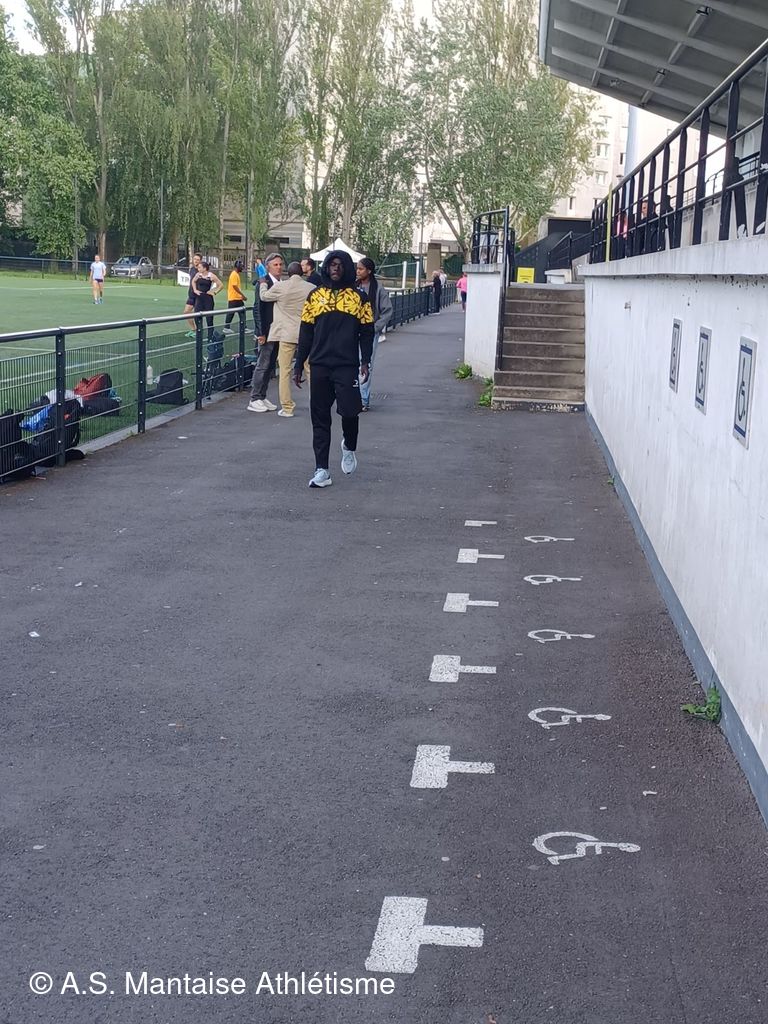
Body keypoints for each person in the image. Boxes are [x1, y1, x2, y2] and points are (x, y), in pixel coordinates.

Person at [294, 250, 373, 488]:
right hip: (319, 364)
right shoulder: (315, 296)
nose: (335, 268)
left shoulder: (359, 298)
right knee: (319, 418)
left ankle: (349, 445)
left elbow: (367, 332)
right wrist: (299, 363)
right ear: (326, 268)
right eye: (331, 265)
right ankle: (322, 470)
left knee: (350, 412)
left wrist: (365, 361)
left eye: (340, 265)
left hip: (346, 365)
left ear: (347, 268)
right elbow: (306, 331)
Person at [258, 261, 315, 417]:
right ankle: (316, 403)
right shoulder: (311, 288)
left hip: (286, 333)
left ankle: (287, 407)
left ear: (287, 273)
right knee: (310, 370)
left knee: (285, 371)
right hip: (306, 334)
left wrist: (263, 283)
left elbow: (264, 296)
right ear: (302, 273)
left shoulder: (281, 287)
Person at [247, 252, 284, 412]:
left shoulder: (281, 283)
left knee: (270, 365)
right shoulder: (263, 283)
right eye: (275, 265)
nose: (279, 267)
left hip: (277, 329)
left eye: (280, 264)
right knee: (263, 364)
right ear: (268, 267)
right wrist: (260, 332)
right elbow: (257, 308)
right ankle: (254, 398)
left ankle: (262, 395)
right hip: (267, 330)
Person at [355, 258, 392, 411]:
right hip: (352, 331)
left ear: (369, 271)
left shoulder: (378, 289)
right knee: (351, 363)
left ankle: (363, 399)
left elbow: (387, 310)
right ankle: (353, 396)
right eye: (357, 268)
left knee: (365, 364)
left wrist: (375, 328)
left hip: (369, 332)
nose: (358, 271)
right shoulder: (353, 286)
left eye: (361, 269)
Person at [192, 261, 223, 340]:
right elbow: (193, 281)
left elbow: (221, 285)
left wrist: (214, 292)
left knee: (209, 318)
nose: (198, 269)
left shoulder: (211, 276)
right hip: (199, 298)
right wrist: (195, 290)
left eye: (200, 267)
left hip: (208, 298)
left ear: (205, 268)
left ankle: (210, 336)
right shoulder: (198, 275)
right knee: (197, 316)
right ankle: (199, 334)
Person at [223, 258, 246, 335]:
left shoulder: (236, 274)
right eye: (241, 267)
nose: (242, 268)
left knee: (242, 312)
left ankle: (243, 327)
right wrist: (242, 295)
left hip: (237, 298)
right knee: (231, 313)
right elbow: (234, 286)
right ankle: (226, 327)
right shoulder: (234, 274)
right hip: (234, 297)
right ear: (237, 266)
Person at [184, 252, 203, 336]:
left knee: (197, 314)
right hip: (191, 295)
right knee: (186, 312)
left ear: (200, 261)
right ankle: (194, 330)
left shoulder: (201, 271)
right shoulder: (192, 269)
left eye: (198, 260)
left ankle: (198, 331)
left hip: (197, 296)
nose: (196, 261)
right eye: (195, 259)